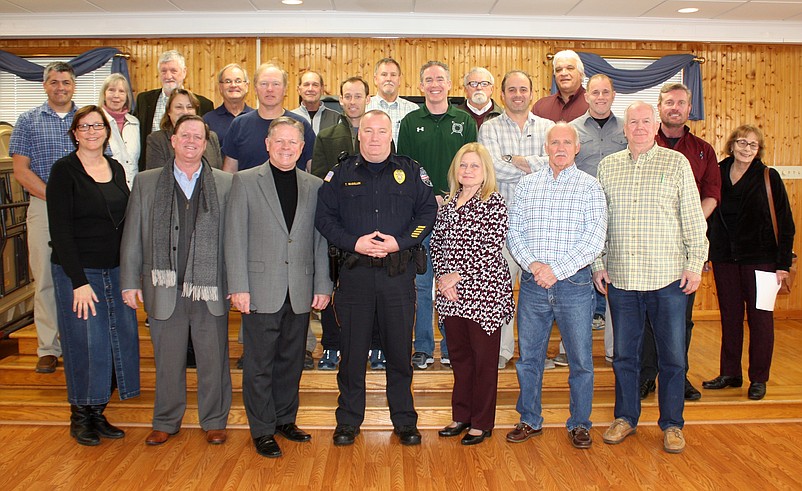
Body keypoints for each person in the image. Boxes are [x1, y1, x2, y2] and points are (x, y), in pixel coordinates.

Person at [315, 110, 437, 447]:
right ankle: (348, 421)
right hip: (354, 276)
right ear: (359, 135)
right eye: (367, 131)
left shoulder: (411, 171)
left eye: (380, 131)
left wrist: (402, 241)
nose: (373, 137)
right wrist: (354, 242)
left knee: (399, 352)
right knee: (352, 354)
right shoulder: (339, 174)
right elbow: (324, 218)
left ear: (390, 134)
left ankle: (404, 421)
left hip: (398, 275)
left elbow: (428, 213)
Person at [593, 102, 708, 454]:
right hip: (623, 280)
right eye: (633, 122)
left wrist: (695, 262)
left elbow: (693, 218)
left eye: (645, 121)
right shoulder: (608, 166)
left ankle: (672, 424)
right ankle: (625, 418)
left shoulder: (676, 164)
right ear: (624, 129)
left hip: (669, 279)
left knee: (673, 357)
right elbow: (600, 222)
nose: (639, 127)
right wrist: (598, 263)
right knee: (625, 356)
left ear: (655, 125)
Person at [120, 115, 233, 446]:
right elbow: (133, 236)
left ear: (206, 143)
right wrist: (130, 282)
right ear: (172, 140)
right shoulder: (146, 181)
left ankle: (214, 420)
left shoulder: (225, 184)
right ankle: (166, 421)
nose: (191, 142)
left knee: (214, 359)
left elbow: (234, 239)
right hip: (163, 286)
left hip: (209, 288)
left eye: (198, 137)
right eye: (185, 136)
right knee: (167, 360)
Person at [225, 117, 332, 458]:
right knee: (259, 363)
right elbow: (234, 237)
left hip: (300, 288)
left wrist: (322, 284)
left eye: (293, 143)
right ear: (268, 145)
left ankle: (285, 419)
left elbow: (319, 240)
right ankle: (262, 429)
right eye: (280, 142)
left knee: (290, 361)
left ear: (302, 148)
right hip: (259, 288)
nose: (286, 148)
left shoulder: (314, 186)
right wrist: (238, 286)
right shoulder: (243, 181)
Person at [506, 123, 607, 449]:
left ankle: (580, 423)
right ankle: (529, 419)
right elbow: (513, 231)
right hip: (534, 285)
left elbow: (594, 240)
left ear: (577, 148)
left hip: (574, 285)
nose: (560, 147)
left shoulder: (590, 188)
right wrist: (534, 265)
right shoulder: (526, 185)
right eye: (554, 142)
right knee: (529, 359)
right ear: (546, 148)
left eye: (567, 142)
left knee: (580, 361)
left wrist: (556, 270)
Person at [47, 105, 140, 446]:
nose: (91, 131)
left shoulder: (115, 168)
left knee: (115, 341)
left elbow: (127, 220)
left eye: (97, 126)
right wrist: (78, 282)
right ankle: (80, 416)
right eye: (84, 126)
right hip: (79, 272)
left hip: (114, 271)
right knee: (86, 344)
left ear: (106, 131)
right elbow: (60, 230)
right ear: (74, 132)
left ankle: (99, 412)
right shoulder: (64, 171)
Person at [640, 82, 722, 402]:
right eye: (669, 102)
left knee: (680, 318)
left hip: (686, 248)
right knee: (647, 315)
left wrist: (687, 225)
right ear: (659, 107)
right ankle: (647, 375)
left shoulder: (703, 150)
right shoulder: (642, 144)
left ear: (690, 109)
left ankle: (679, 376)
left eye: (681, 103)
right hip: (647, 247)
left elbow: (712, 195)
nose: (675, 107)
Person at [431, 142, 514, 445]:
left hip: (484, 294)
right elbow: (437, 244)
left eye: (474, 166)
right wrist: (443, 278)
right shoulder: (449, 203)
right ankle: (461, 415)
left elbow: (491, 249)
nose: (468, 171)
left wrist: (457, 276)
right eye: (463, 165)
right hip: (450, 295)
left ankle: (481, 421)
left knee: (483, 361)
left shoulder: (494, 202)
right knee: (460, 358)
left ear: (485, 171)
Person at [703, 125, 794, 401]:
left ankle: (758, 378)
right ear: (732, 145)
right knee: (730, 318)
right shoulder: (717, 172)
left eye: (753, 145)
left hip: (763, 261)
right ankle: (730, 373)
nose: (746, 148)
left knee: (760, 320)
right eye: (742, 142)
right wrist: (705, 253)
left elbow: (786, 223)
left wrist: (782, 264)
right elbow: (707, 215)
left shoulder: (768, 176)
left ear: (759, 150)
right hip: (725, 259)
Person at [398, 60, 478, 370]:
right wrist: (429, 194)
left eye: (440, 79)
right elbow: (404, 167)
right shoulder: (409, 122)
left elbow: (472, 164)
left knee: (452, 282)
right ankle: (422, 347)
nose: (434, 84)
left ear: (449, 84)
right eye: (428, 79)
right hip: (419, 213)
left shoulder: (465, 120)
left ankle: (451, 345)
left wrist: (453, 196)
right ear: (421, 86)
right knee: (421, 283)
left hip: (456, 214)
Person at [478, 70, 553, 370]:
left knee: (538, 297)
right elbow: (492, 168)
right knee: (501, 291)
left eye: (523, 88)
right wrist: (534, 164)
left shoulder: (549, 128)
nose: (518, 94)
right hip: (502, 225)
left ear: (531, 93)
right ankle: (502, 350)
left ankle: (534, 355)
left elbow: (556, 163)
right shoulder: (490, 128)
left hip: (539, 226)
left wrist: (513, 159)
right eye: (512, 89)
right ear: (503, 94)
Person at [310, 76, 387, 370]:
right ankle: (332, 345)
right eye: (347, 96)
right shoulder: (327, 136)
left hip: (377, 224)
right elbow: (320, 180)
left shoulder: (381, 134)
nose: (353, 101)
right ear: (340, 100)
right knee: (335, 287)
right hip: (342, 230)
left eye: (358, 96)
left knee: (379, 289)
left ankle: (377, 346)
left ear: (368, 99)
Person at [10, 61, 77, 374]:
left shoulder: (88, 118)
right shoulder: (27, 120)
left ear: (73, 85)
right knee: (45, 278)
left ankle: (77, 341)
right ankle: (49, 347)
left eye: (65, 82)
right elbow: (21, 170)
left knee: (82, 275)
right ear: (45, 85)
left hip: (83, 210)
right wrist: (55, 197)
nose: (60, 87)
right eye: (54, 82)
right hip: (43, 206)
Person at [564, 73, 628, 367]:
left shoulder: (627, 129)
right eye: (595, 93)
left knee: (615, 281)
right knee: (576, 282)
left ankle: (615, 351)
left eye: (606, 92)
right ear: (586, 96)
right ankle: (571, 350)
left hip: (618, 215)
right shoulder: (572, 130)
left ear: (613, 95)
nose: (600, 97)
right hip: (580, 216)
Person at [222, 63, 315, 172]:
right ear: (255, 89)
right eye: (264, 84)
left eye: (276, 84)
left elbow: (313, 171)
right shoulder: (239, 125)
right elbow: (229, 172)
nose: (270, 89)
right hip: (249, 189)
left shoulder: (301, 125)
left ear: (285, 89)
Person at [134, 49, 213, 170]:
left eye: (173, 71)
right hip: (153, 167)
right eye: (164, 71)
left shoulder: (204, 104)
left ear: (184, 72)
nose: (168, 76)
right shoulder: (144, 100)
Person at [145, 89, 223, 170]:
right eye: (179, 107)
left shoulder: (211, 137)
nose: (185, 112)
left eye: (189, 107)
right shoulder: (157, 139)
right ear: (169, 111)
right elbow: (157, 176)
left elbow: (218, 173)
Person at [99, 73, 140, 189]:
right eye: (111, 90)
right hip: (106, 189)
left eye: (121, 91)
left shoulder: (135, 123)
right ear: (104, 94)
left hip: (133, 190)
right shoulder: (97, 121)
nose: (116, 96)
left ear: (127, 96)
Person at [365, 57, 420, 145]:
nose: (389, 79)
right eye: (384, 74)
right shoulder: (365, 107)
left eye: (393, 75)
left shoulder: (413, 109)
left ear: (399, 80)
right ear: (375, 79)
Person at [203, 63, 253, 150]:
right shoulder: (207, 121)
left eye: (238, 81)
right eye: (228, 81)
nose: (233, 85)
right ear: (220, 87)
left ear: (246, 86)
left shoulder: (256, 118)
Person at [532, 49, 589, 123]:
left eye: (570, 68)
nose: (564, 73)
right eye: (559, 70)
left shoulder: (593, 105)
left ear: (581, 74)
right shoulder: (540, 107)